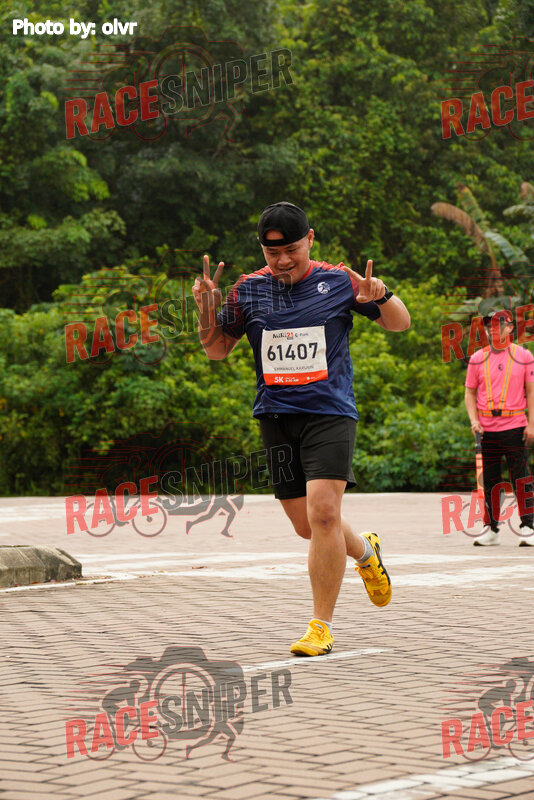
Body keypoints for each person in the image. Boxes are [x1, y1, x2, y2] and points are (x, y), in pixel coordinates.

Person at [192, 201, 410, 656]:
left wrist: (381, 294)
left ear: (310, 239)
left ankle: (320, 627)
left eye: (291, 250)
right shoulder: (248, 289)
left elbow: (400, 324)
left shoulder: (339, 281)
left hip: (330, 413)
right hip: (275, 416)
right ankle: (365, 552)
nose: (283, 261)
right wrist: (206, 312)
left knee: (324, 513)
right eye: (273, 254)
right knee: (306, 525)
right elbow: (216, 350)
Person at [465, 309, 534, 546]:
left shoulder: (524, 356)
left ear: (510, 328)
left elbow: (531, 392)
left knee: (521, 478)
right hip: (486, 428)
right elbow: (469, 393)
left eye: (498, 325)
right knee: (490, 481)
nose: (492, 329)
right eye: (489, 325)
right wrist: (473, 420)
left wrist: (532, 424)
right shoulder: (477, 358)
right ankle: (491, 528)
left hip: (516, 425)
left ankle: (528, 526)